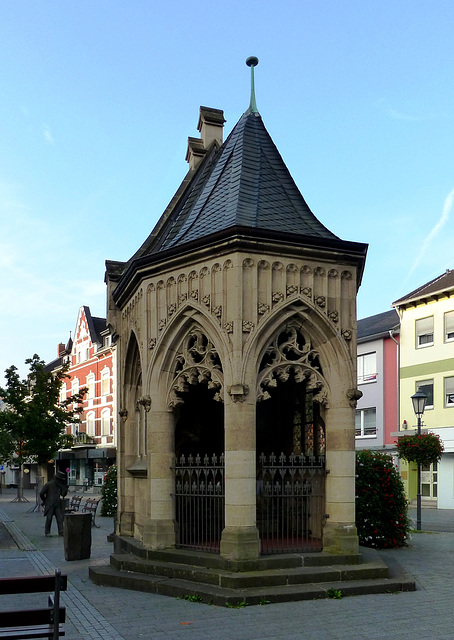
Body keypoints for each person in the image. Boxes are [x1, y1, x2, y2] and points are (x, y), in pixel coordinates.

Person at [39, 470, 68, 536]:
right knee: (49, 518)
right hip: (50, 504)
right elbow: (41, 493)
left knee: (59, 518)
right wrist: (45, 500)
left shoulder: (59, 485)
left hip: (57, 504)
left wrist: (65, 489)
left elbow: (63, 495)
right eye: (59, 479)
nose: (60, 481)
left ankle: (61, 531)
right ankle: (47, 532)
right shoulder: (48, 484)